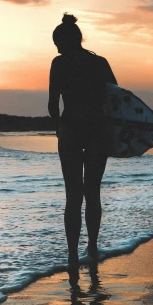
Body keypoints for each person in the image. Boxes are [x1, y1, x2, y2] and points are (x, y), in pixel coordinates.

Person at [48, 13, 117, 268]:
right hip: (98, 130)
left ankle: (72, 255)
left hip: (71, 131)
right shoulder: (100, 62)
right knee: (93, 192)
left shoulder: (59, 63)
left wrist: (58, 126)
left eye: (57, 42)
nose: (55, 48)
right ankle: (93, 247)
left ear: (65, 41)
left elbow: (53, 103)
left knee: (73, 195)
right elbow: (116, 99)